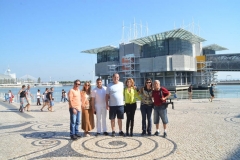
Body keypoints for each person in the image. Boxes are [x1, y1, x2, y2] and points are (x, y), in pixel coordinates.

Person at [106, 73, 125, 137]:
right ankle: (113, 131)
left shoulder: (122, 84)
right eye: (115, 77)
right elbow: (107, 96)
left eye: (117, 77)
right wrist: (107, 105)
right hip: (112, 105)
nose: (116, 78)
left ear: (119, 78)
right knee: (112, 119)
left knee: (120, 119)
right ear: (112, 78)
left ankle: (120, 130)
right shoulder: (109, 85)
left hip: (120, 105)